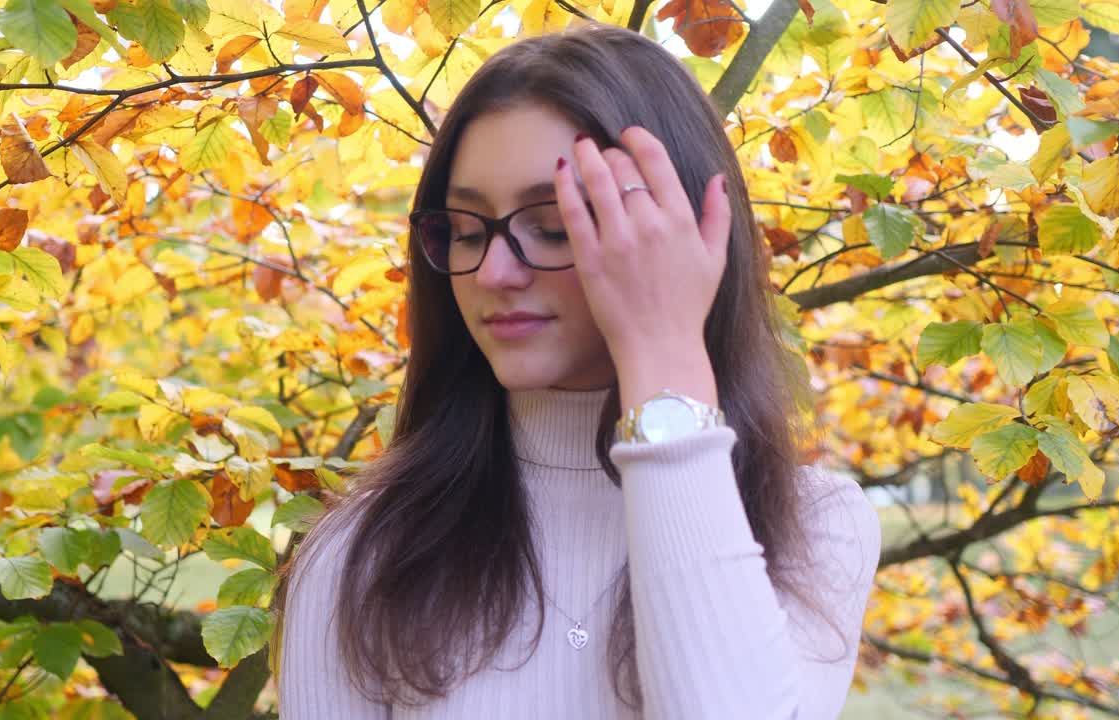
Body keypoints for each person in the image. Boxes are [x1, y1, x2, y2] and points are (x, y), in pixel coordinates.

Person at [274, 19, 881, 720]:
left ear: (676, 237)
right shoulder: (361, 557)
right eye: (467, 231)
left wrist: (663, 354)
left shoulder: (813, 526)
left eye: (556, 227)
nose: (494, 272)